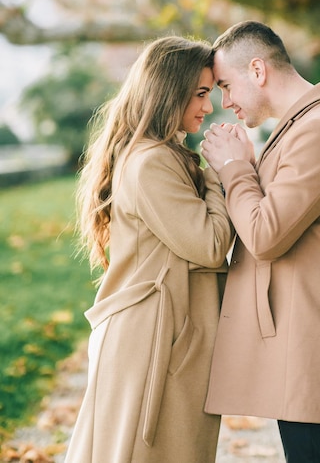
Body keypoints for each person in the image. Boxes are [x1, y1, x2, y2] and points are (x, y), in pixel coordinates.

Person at [201, 20, 320, 463]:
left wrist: (232, 169)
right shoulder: (307, 123)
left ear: (258, 71)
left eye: (227, 85)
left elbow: (265, 235)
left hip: (314, 340)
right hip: (307, 335)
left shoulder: (319, 128)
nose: (225, 103)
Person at [64, 36, 234, 463]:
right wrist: (224, 172)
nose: (208, 106)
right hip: (153, 342)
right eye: (199, 94)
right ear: (168, 91)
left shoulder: (161, 154)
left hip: (159, 335)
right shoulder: (152, 162)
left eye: (210, 93)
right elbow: (211, 245)